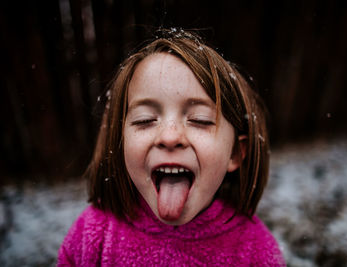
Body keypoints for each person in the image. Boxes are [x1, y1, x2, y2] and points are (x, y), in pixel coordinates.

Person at [58, 28, 285, 266]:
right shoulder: (94, 234)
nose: (169, 136)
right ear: (120, 142)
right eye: (145, 119)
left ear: (235, 153)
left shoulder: (255, 251)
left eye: (200, 120)